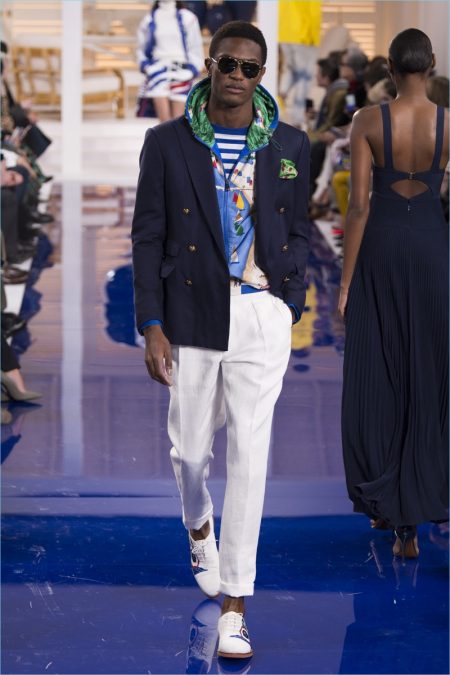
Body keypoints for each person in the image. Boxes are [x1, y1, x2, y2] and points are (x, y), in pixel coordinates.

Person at [132, 20, 310, 659]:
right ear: (209, 66)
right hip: (192, 311)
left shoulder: (290, 143)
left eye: (249, 67)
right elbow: (147, 235)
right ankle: (197, 522)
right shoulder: (167, 142)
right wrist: (151, 323)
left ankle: (236, 604)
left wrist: (290, 302)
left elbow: (298, 225)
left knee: (251, 460)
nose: (237, 75)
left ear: (261, 75)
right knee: (189, 453)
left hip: (261, 311)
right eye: (227, 64)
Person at [339, 28, 449, 559]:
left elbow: (359, 206)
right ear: (431, 63)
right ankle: (420, 504)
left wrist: (345, 282)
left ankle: (388, 508)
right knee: (428, 371)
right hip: (431, 250)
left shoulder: (367, 120)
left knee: (381, 372)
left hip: (380, 249)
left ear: (388, 67)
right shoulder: (448, 122)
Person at [136, 0, 204, 121]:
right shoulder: (149, 19)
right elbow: (141, 48)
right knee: (164, 124)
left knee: (177, 122)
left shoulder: (188, 18)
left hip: (182, 72)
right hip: (158, 73)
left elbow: (195, 47)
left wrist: (192, 70)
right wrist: (147, 67)